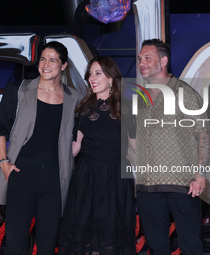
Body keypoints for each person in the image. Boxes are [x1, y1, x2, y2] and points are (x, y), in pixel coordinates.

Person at [0, 41, 82, 255]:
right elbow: (0, 128)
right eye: (42, 59)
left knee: (47, 246)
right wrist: (4, 163)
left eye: (52, 60)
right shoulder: (18, 90)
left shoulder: (74, 98)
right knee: (15, 244)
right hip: (20, 175)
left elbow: (78, 136)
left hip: (54, 181)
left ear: (64, 65)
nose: (46, 64)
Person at [135, 39, 210, 254]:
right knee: (156, 246)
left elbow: (203, 134)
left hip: (182, 183)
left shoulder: (185, 93)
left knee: (190, 244)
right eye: (140, 58)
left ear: (164, 60)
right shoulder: (140, 97)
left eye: (148, 58)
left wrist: (200, 175)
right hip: (147, 185)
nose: (142, 62)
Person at [58, 56, 136, 255]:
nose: (92, 78)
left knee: (111, 238)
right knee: (86, 239)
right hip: (87, 177)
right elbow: (75, 148)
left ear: (111, 78)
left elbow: (137, 147)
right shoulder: (84, 108)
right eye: (90, 74)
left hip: (116, 178)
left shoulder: (125, 108)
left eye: (98, 73)